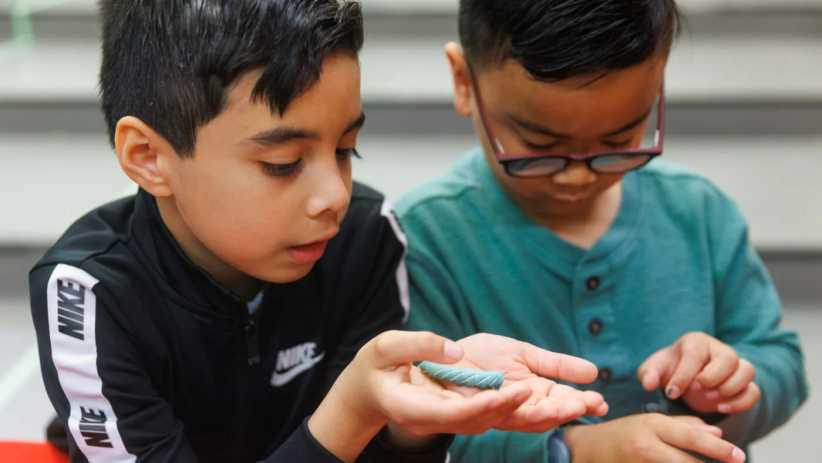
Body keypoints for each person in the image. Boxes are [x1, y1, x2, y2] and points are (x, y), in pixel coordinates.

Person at [29, 1, 608, 462]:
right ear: (148, 156)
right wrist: (353, 412)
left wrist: (411, 426)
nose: (334, 195)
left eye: (346, 148)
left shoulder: (365, 240)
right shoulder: (89, 295)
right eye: (282, 164)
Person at [395, 1, 809, 462]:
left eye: (619, 141)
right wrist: (575, 451)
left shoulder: (698, 211)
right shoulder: (429, 238)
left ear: (657, 85)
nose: (578, 176)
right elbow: (417, 425)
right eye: (540, 146)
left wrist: (733, 385)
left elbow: (782, 361)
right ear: (463, 81)